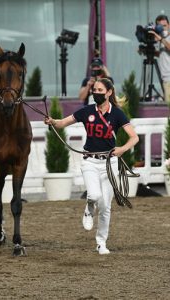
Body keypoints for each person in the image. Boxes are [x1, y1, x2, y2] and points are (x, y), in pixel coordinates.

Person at [44, 78, 139, 255]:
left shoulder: (118, 114)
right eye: (94, 90)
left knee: (105, 207)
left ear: (109, 92)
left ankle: (101, 242)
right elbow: (63, 122)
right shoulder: (86, 111)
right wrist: (52, 121)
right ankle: (88, 209)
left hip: (110, 163)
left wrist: (122, 149)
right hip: (90, 161)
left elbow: (134, 137)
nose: (95, 92)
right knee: (94, 195)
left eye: (100, 90)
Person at [149, 14, 170, 103]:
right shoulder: (161, 38)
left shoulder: (165, 38)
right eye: (160, 27)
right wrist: (147, 50)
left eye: (164, 26)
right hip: (165, 78)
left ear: (169, 25)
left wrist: (161, 39)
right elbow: (161, 54)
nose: (162, 29)